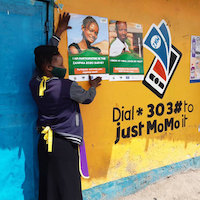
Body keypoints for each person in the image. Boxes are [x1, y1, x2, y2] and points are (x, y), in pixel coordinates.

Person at [29, 13, 102, 200]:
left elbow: (44, 59)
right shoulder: (66, 86)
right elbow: (86, 99)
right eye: (60, 64)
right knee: (69, 187)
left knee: (49, 187)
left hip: (45, 143)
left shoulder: (36, 82)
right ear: (49, 67)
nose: (64, 67)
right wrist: (93, 87)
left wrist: (58, 33)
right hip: (64, 144)